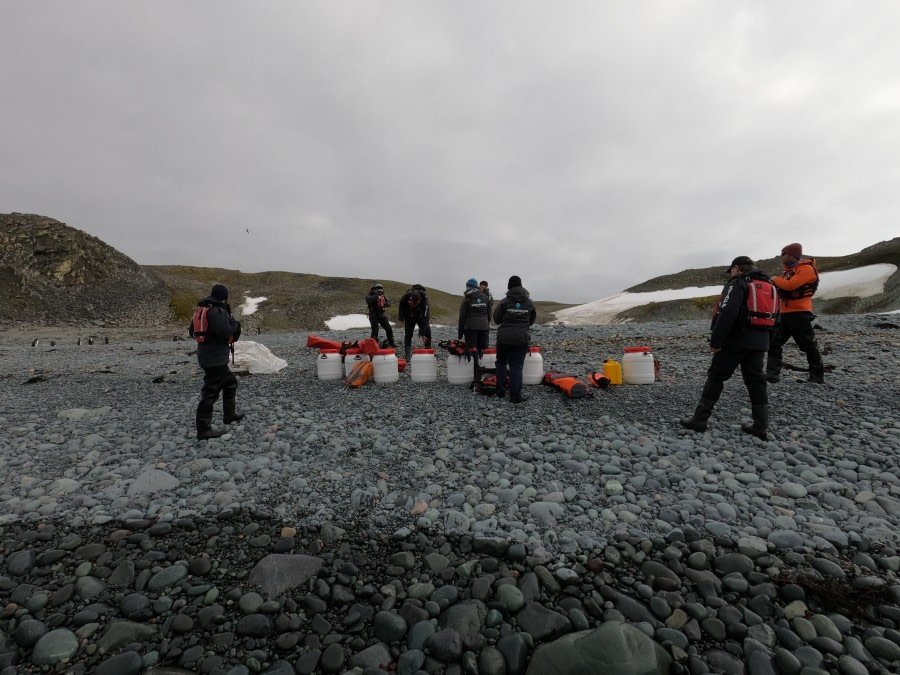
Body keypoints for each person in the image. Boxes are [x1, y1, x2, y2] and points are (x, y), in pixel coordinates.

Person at [680, 256, 773, 440]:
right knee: (756, 381)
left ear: (737, 268)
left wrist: (716, 342)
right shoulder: (768, 284)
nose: (730, 273)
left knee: (716, 376)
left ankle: (699, 419)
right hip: (760, 341)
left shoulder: (737, 283)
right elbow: (777, 317)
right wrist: (767, 341)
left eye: (731, 270)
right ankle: (761, 426)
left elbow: (727, 312)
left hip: (736, 340)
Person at [766, 243, 825, 384]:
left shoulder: (806, 269)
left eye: (783, 254)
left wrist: (774, 279)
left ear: (792, 255)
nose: (781, 256)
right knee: (774, 343)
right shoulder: (788, 272)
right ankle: (772, 375)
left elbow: (790, 285)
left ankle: (817, 376)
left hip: (799, 313)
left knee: (808, 345)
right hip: (784, 313)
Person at [190, 284, 243, 440]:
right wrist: (235, 324)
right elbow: (225, 331)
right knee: (210, 393)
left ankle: (229, 415)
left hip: (206, 355)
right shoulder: (218, 310)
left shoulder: (202, 310)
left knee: (230, 383)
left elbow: (191, 331)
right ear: (224, 296)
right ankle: (203, 429)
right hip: (216, 359)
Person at [493, 275, 537, 404]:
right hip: (522, 338)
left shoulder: (505, 301)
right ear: (521, 286)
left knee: (501, 363)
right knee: (516, 366)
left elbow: (496, 319)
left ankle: (500, 391)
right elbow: (532, 320)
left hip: (504, 337)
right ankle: (515, 396)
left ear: (509, 286)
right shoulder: (529, 303)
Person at [458, 277, 491, 361]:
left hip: (470, 328)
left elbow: (462, 317)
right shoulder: (485, 298)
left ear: (468, 287)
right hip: (484, 327)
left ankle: (474, 371)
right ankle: (484, 370)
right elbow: (489, 314)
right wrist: (486, 324)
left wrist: (460, 333)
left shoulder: (467, 298)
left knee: (472, 351)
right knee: (483, 351)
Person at [397, 283, 432, 361]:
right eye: (413, 302)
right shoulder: (408, 295)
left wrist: (422, 333)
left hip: (420, 315)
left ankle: (428, 349)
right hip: (409, 314)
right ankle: (407, 354)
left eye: (416, 303)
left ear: (420, 300)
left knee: (427, 329)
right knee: (408, 332)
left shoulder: (425, 301)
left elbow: (425, 318)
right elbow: (401, 303)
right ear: (411, 299)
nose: (414, 304)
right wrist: (401, 317)